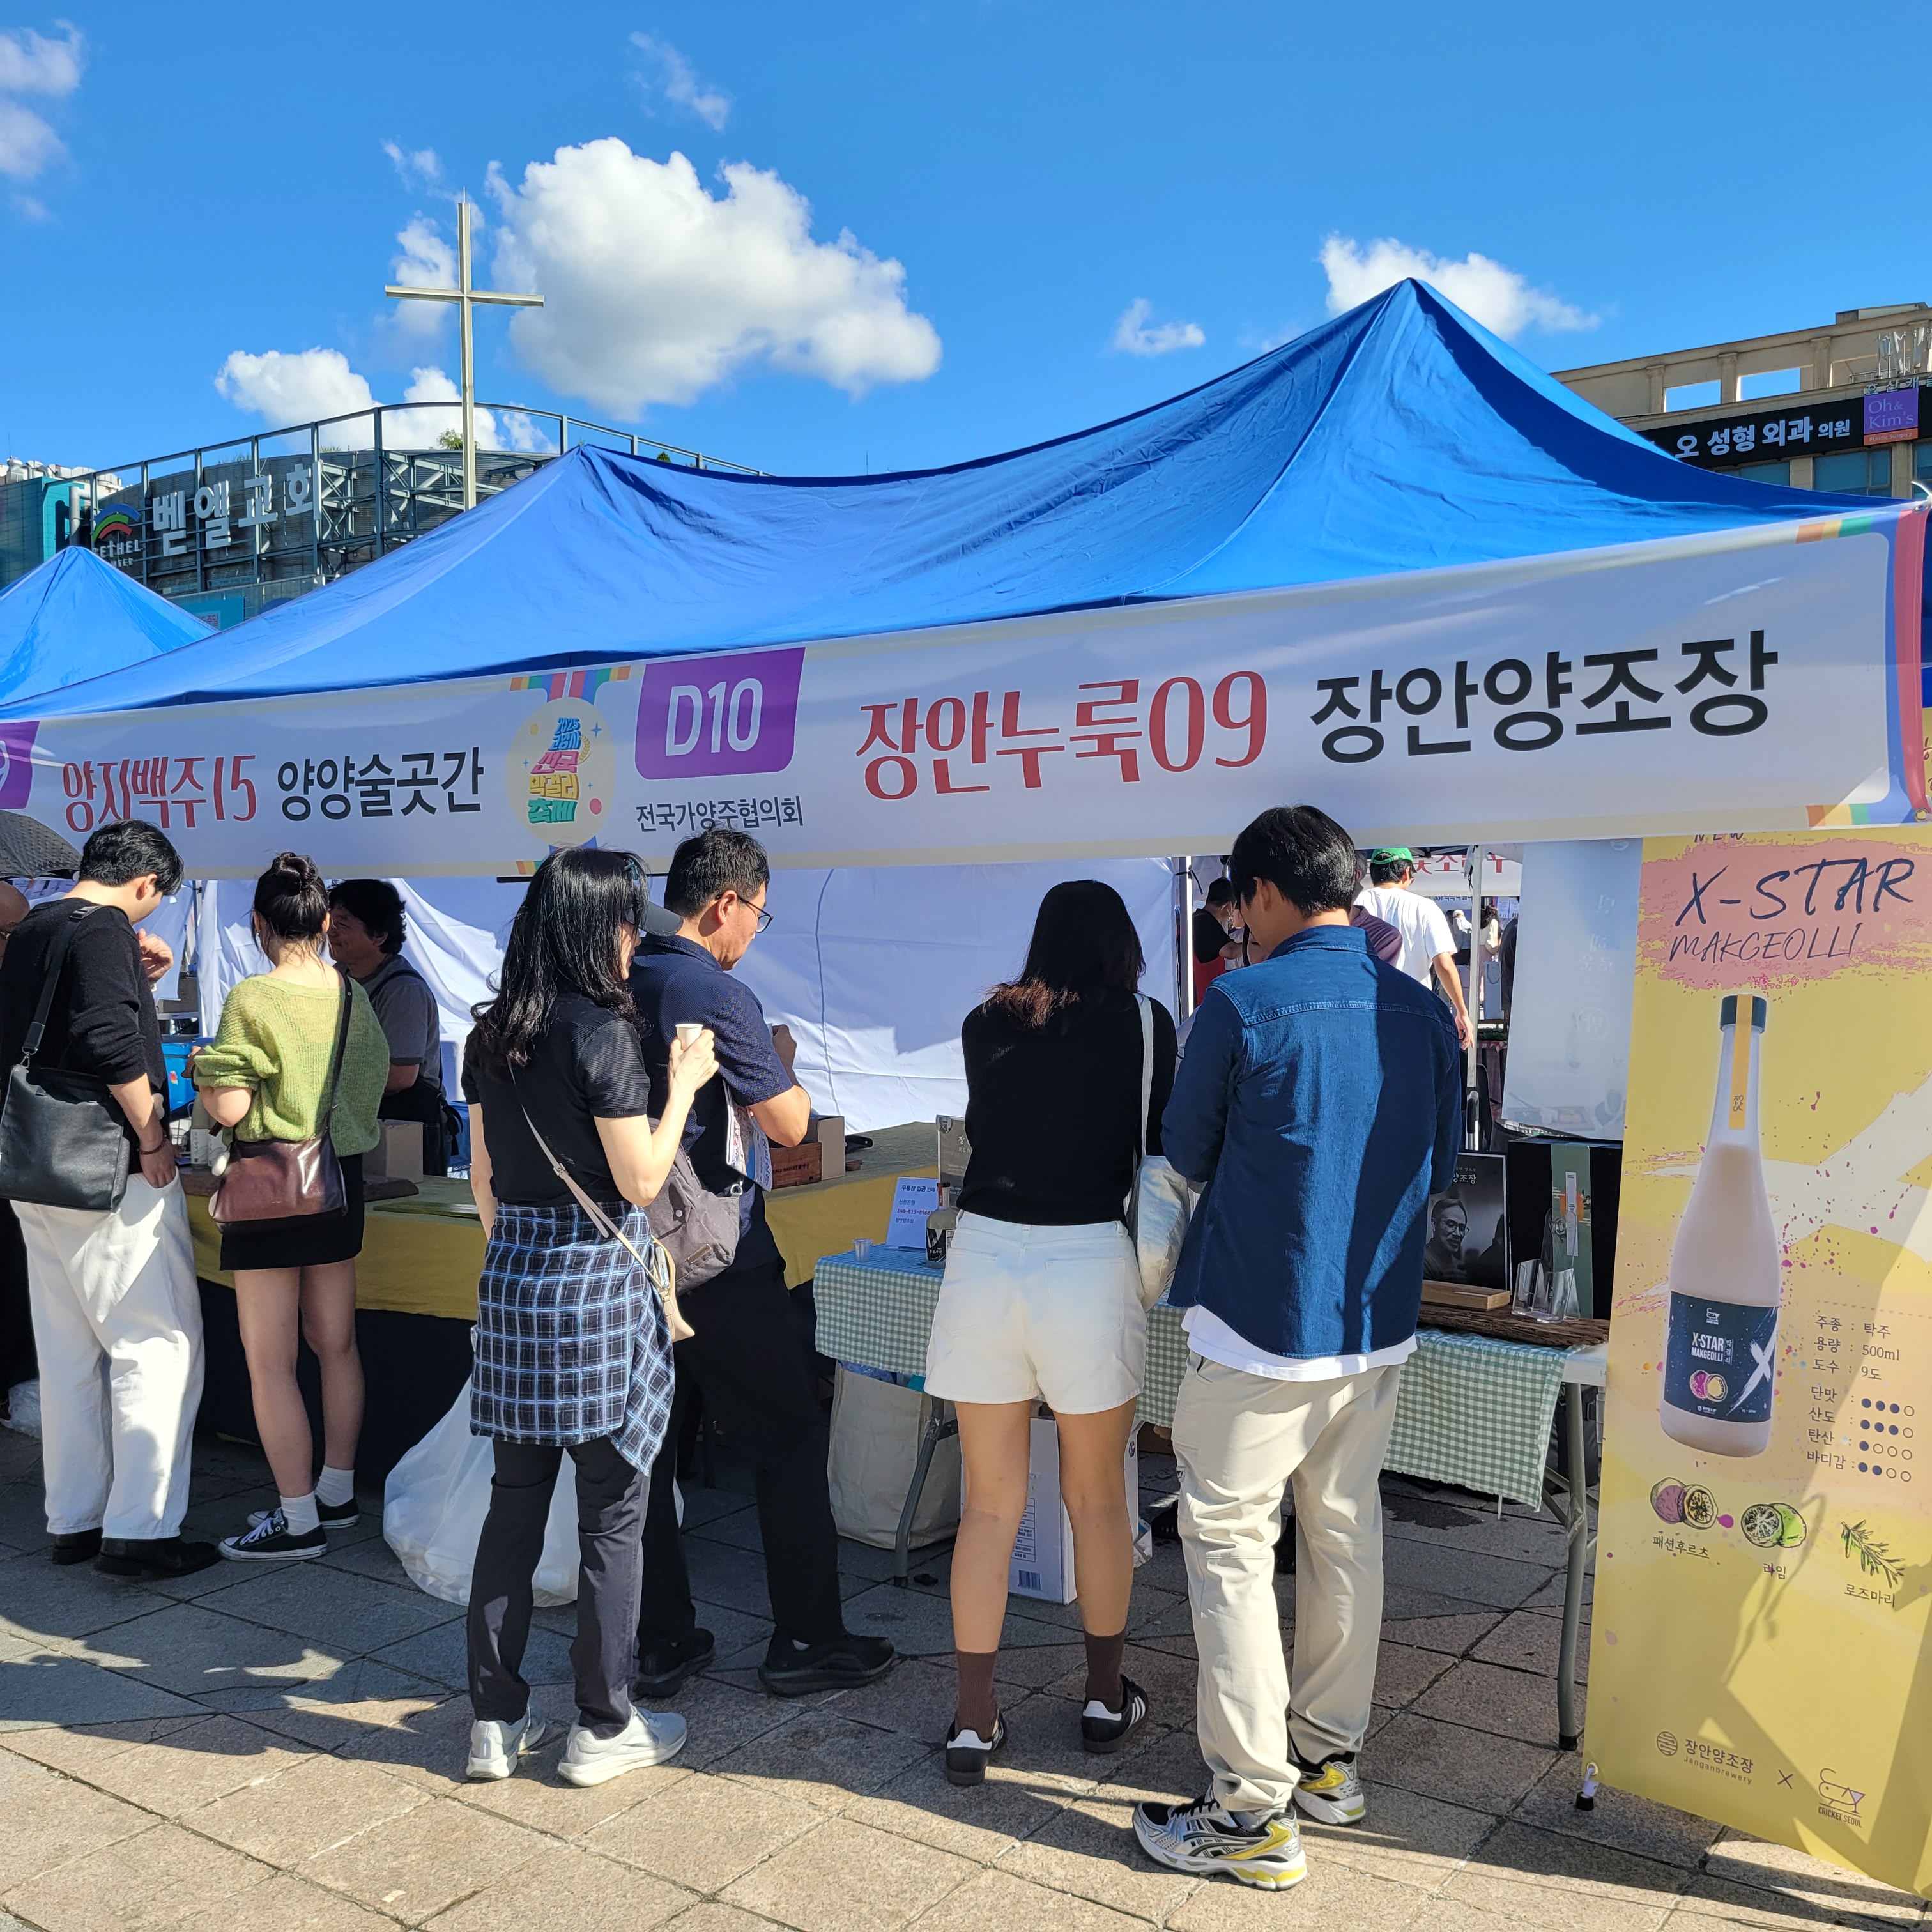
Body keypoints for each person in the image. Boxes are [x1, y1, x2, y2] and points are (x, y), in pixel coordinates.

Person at [1133, 805, 1460, 1892]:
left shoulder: (1239, 1001)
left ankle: (1248, 1807)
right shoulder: (1421, 1009)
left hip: (1258, 1317)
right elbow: (1444, 1163)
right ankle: (1327, 1764)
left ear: (1263, 893)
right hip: (1374, 1323)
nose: (1238, 920)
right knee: (1343, 1532)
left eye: (1239, 902)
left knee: (1228, 1545)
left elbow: (1183, 1151)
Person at [463, 849, 718, 1788]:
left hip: (512, 1282)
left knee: (513, 1511)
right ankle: (603, 1726)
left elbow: (485, 1183)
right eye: (626, 923)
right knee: (612, 1516)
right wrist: (683, 1083)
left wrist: (520, 1252)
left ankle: (494, 1722)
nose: (633, 942)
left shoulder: (490, 1034)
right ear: (595, 927)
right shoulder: (602, 1034)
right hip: (595, 1286)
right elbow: (641, 1181)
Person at [628, 827, 895, 1700]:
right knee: (786, 1438)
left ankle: (661, 1640)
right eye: (759, 914)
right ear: (726, 904)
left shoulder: (618, 978)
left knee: (648, 1452)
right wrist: (778, 1062)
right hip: (719, 1254)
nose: (754, 932)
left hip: (629, 1252)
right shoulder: (713, 989)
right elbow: (788, 1122)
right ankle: (808, 1637)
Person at [926, 880, 1175, 1785]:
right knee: (1098, 1498)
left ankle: (973, 1717)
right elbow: (1160, 1142)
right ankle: (1105, 1698)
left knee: (989, 1505)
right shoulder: (1144, 1022)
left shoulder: (983, 1022)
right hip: (1088, 1261)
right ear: (1120, 945)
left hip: (985, 1257)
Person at [0, 821, 213, 1576]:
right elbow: (107, 1038)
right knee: (156, 1343)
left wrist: (138, 982)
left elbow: (61, 1028)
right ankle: (141, 1531)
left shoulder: (35, 927)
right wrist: (153, 1139)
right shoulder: (104, 929)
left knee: (68, 1352)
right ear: (147, 883)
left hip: (38, 1162)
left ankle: (77, 1519)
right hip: (105, 1167)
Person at [194, 854, 390, 1560]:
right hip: (339, 1180)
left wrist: (206, 1071)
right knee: (337, 1345)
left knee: (270, 1361)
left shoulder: (254, 997)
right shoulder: (353, 994)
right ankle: (336, 1492)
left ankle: (297, 1518)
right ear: (323, 921)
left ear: (259, 923)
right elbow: (373, 1085)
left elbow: (230, 1106)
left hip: (272, 1185)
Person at [326, 880, 455, 1176]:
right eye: (331, 921)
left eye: (343, 924)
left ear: (379, 936)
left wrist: (327, 1089)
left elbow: (400, 1076)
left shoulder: (403, 990)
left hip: (405, 1129)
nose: (331, 932)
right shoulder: (338, 976)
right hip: (360, 1122)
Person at [1353, 848, 1473, 1048]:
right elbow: (1444, 963)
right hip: (1414, 1011)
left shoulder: (1353, 905)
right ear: (1406, 872)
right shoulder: (1425, 907)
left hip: (1362, 1011)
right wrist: (1462, 1012)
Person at [1191, 879, 1239, 1005]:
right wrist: (1254, 944)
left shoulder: (1197, 918)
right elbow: (1230, 951)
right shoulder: (1204, 921)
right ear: (1228, 906)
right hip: (1203, 996)